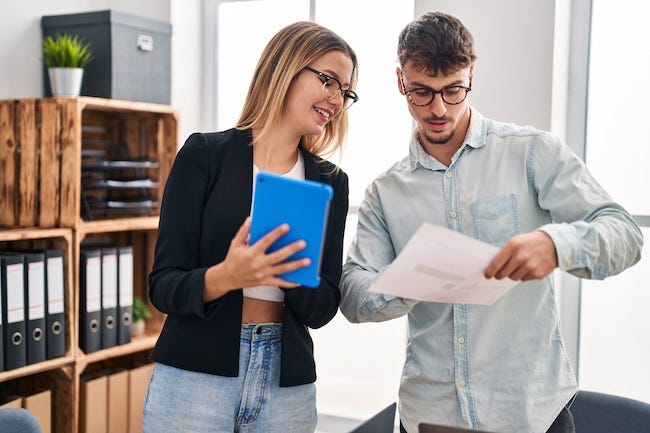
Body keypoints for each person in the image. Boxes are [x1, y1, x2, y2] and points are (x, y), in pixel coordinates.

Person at [339, 11, 643, 433]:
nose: (438, 108)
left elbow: (624, 234)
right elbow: (352, 294)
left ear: (472, 76)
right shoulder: (385, 192)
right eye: (421, 93)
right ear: (400, 81)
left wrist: (556, 245)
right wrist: (408, 279)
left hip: (529, 415)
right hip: (430, 415)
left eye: (453, 90)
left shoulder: (531, 153)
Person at [143, 21, 358, 433]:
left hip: (286, 387)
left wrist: (289, 274)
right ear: (285, 67)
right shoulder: (205, 155)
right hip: (195, 378)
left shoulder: (331, 182)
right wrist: (226, 276)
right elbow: (163, 286)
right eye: (328, 81)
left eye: (345, 92)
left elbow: (324, 306)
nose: (337, 100)